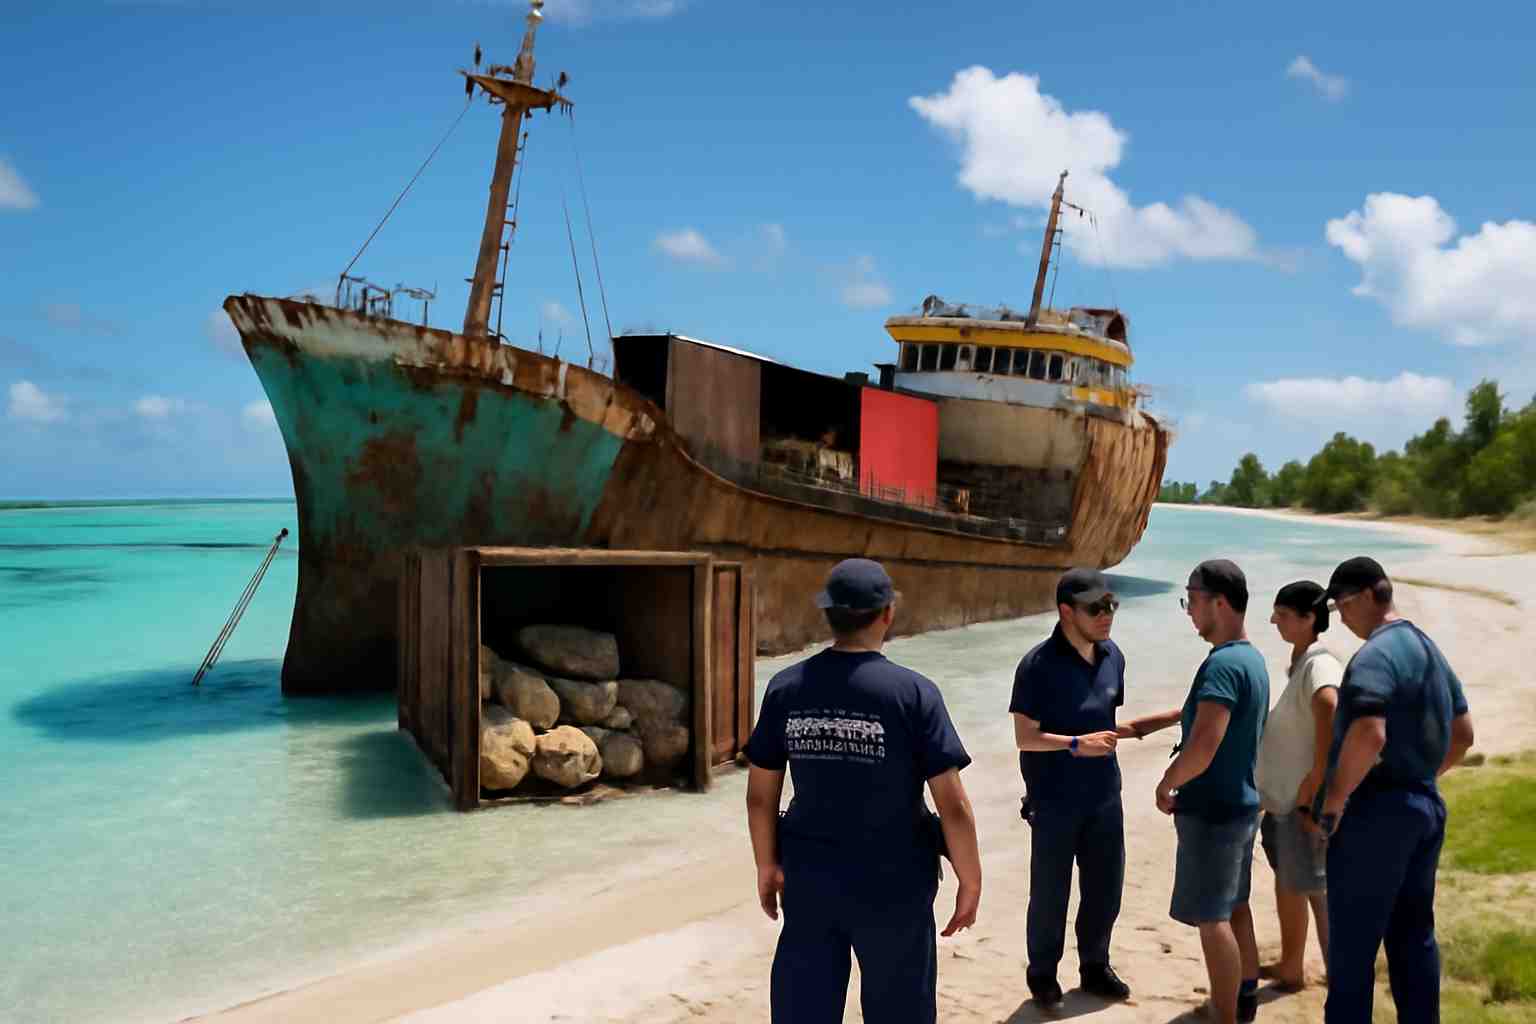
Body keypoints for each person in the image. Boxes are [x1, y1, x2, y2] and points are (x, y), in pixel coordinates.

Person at [743, 558, 983, 1024]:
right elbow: (952, 805)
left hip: (810, 878)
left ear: (827, 613)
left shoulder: (785, 688)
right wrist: (970, 878)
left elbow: (759, 796)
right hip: (895, 881)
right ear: (887, 613)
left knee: (804, 1009)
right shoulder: (914, 693)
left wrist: (766, 864)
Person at [1312, 557, 1476, 1024]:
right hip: (1423, 807)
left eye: (1343, 605)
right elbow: (1463, 734)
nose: (1342, 617)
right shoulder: (1428, 650)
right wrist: (1420, 778)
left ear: (1368, 596)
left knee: (1352, 951)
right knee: (1413, 939)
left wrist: (1335, 801)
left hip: (1375, 813)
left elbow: (1369, 731)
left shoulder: (1375, 656)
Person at [1009, 568, 1176, 1006]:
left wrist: (1177, 716)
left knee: (1105, 886)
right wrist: (1074, 745)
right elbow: (1025, 737)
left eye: (1111, 605)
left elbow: (1106, 724)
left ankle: (1095, 966)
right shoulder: (1036, 666)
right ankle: (1042, 974)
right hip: (1053, 799)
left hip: (1104, 794)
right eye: (1095, 608)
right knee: (1051, 892)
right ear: (1067, 612)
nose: (1107, 615)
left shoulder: (1112, 657)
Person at [1154, 559, 1270, 1024]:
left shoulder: (1223, 665)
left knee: (1212, 918)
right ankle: (1245, 998)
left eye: (1193, 600)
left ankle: (1225, 1015)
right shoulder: (1252, 659)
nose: (1189, 610)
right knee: (1235, 905)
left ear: (1219, 603)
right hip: (1242, 805)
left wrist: (1168, 781)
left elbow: (1204, 744)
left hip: (1214, 811)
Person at [1255, 581, 1341, 991]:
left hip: (1301, 802)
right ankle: (1293, 966)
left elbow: (1330, 705)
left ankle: (1338, 978)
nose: (1274, 620)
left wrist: (1314, 782)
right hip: (1287, 800)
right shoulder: (1302, 660)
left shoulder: (1319, 664)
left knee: (1315, 891)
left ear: (1309, 619)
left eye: (1283, 614)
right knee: (1294, 885)